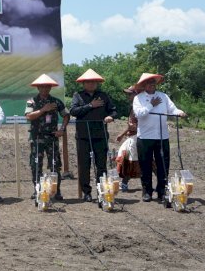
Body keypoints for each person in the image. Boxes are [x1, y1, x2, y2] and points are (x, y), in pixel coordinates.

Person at [132, 73, 187, 203]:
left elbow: (172, 109)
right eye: (149, 82)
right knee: (145, 165)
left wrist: (180, 113)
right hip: (145, 136)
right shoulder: (138, 98)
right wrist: (151, 104)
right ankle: (147, 191)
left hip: (162, 136)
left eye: (153, 82)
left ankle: (162, 191)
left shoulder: (163, 96)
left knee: (163, 164)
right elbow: (139, 114)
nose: (152, 84)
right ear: (144, 85)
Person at [69, 69, 117, 202]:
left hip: (100, 135)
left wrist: (109, 117)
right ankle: (86, 192)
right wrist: (90, 105)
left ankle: (102, 190)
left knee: (101, 165)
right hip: (83, 136)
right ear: (83, 83)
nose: (91, 84)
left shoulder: (104, 95)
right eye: (88, 82)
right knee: (84, 165)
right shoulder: (77, 96)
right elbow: (73, 111)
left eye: (94, 82)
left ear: (97, 83)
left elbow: (113, 111)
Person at [25, 74, 70, 200]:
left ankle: (56, 191)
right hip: (37, 138)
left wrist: (62, 129)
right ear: (38, 88)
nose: (44, 89)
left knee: (55, 165)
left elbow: (66, 115)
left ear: (50, 88)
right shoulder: (32, 101)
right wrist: (43, 110)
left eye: (47, 87)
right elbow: (28, 116)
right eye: (42, 87)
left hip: (52, 138)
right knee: (36, 164)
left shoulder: (56, 101)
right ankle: (37, 190)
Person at [115, 85, 140, 191]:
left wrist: (135, 127)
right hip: (132, 136)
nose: (128, 96)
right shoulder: (133, 106)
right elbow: (130, 125)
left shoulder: (138, 107)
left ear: (136, 94)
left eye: (130, 94)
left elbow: (140, 125)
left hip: (137, 136)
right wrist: (122, 134)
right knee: (127, 157)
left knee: (128, 159)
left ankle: (124, 183)